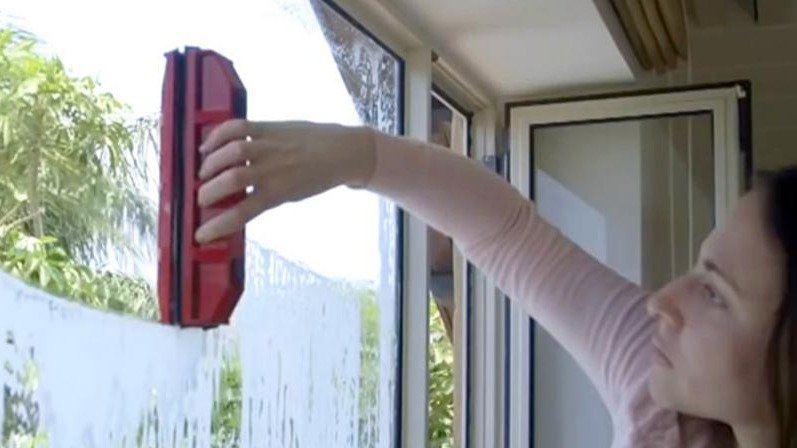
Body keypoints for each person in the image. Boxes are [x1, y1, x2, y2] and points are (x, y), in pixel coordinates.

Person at [193, 119, 796, 448]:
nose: (663, 301)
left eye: (715, 294)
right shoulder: (661, 396)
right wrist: (355, 155)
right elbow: (508, 236)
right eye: (698, 270)